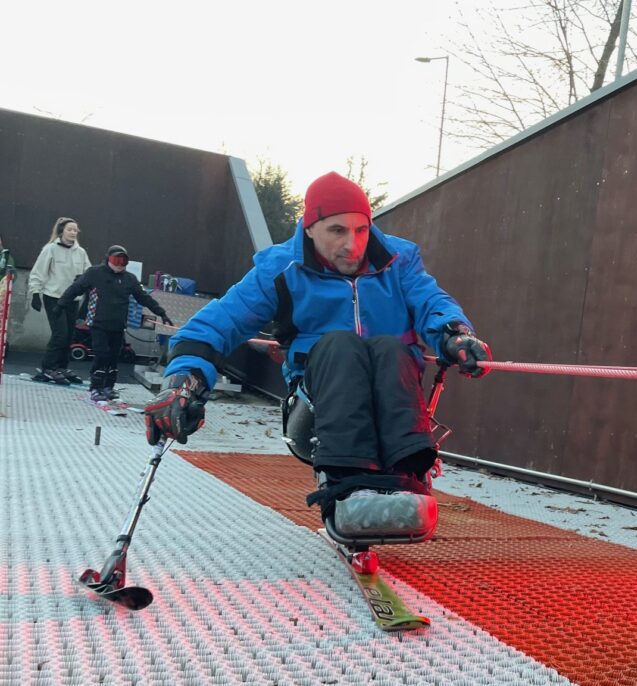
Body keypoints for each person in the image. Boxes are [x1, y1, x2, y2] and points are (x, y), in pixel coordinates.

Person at [145, 171, 491, 541]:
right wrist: (183, 383)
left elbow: (431, 303)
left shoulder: (399, 261)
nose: (353, 245)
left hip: (393, 397)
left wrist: (456, 335)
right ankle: (346, 484)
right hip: (316, 410)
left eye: (361, 230)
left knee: (390, 347)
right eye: (337, 231)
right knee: (340, 344)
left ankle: (407, 478)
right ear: (310, 228)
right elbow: (215, 326)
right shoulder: (280, 270)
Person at [54, 245, 173, 401]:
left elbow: (144, 297)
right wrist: (61, 305)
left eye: (123, 261)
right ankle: (96, 387)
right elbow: (76, 288)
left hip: (118, 325)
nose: (119, 264)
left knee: (113, 357)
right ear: (108, 259)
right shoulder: (94, 273)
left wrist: (161, 313)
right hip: (98, 323)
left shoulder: (129, 279)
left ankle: (108, 386)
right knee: (101, 354)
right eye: (116, 260)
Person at [27, 217, 91, 384]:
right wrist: (35, 292)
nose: (73, 233)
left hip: (73, 299)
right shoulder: (50, 249)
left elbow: (89, 273)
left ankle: (61, 367)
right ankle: (48, 368)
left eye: (75, 230)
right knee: (60, 334)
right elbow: (38, 271)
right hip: (54, 297)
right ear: (62, 231)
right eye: (69, 229)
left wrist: (84, 279)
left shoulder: (81, 252)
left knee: (70, 335)